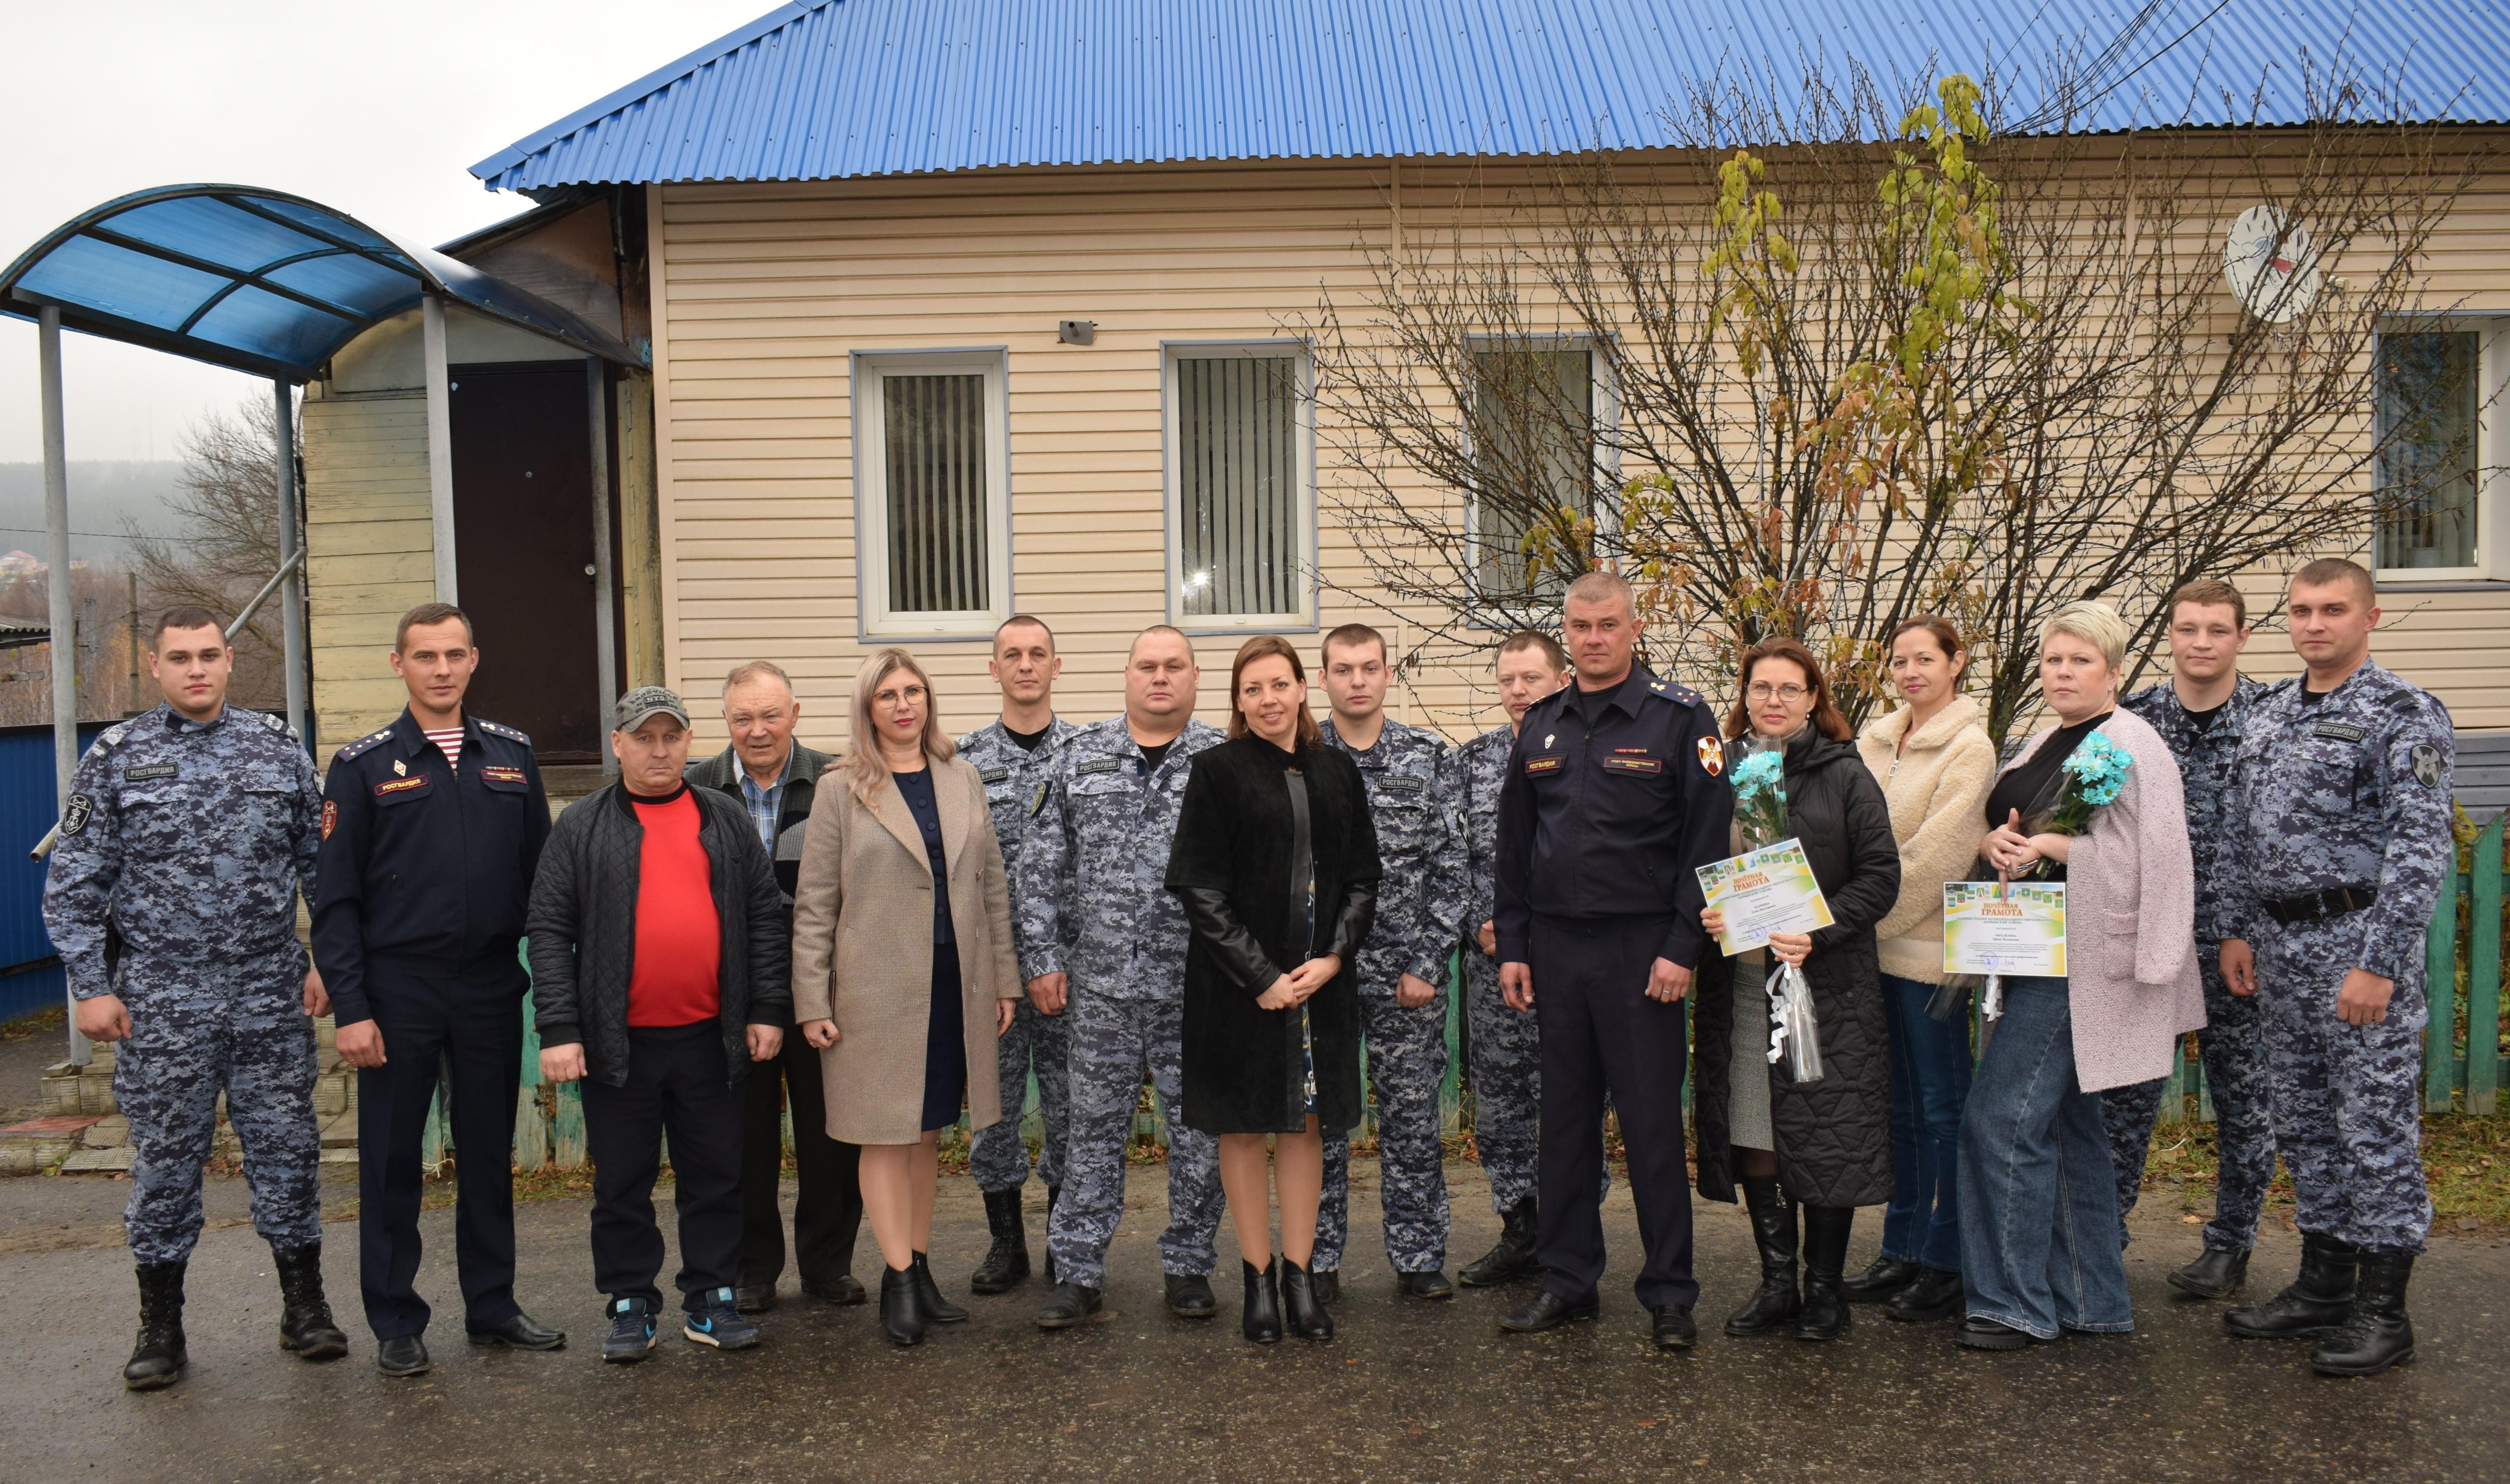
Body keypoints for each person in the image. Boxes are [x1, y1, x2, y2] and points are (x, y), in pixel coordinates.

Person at [44, 607, 345, 1390]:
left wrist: (331, 964)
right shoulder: (117, 756)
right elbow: (73, 884)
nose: (196, 670)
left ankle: (304, 1308)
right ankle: (161, 1329)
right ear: (155, 665)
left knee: (288, 1150)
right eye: (180, 658)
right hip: (161, 994)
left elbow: (324, 868)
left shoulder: (277, 748)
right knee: (167, 1161)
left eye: (209, 655)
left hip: (268, 987)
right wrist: (90, 985)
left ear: (230, 659)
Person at [2218, 559, 2454, 1378]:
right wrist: (2238, 930)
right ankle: (2323, 1286)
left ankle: (2385, 1313)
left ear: (2369, 618)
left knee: (2373, 1131)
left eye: (2332, 610)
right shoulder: (2271, 713)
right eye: (2301, 611)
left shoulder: (2402, 713)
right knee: (2306, 1124)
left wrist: (2380, 964)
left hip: (2356, 950)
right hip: (2279, 954)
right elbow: (2240, 834)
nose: (2314, 625)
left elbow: (2420, 851)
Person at [313, 602, 563, 1376]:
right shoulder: (361, 767)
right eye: (426, 656)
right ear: (401, 665)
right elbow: (336, 900)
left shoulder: (513, 758)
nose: (442, 669)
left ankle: (492, 1307)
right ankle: (395, 1320)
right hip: (398, 992)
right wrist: (351, 1009)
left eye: (455, 655)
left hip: (489, 986)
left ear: (475, 660)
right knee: (392, 1163)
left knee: (489, 1157)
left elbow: (543, 884)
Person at [1493, 571, 1730, 1350]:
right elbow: (1515, 849)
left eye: (1607, 625)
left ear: (1633, 628)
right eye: (1580, 626)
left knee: (1652, 1126)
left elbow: (1704, 842)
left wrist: (1680, 946)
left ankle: (1669, 1294)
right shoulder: (1543, 723)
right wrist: (1515, 946)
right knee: (1562, 1127)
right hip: (1557, 951)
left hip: (1641, 954)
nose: (1593, 639)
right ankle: (1568, 1282)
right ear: (1567, 631)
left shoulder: (1678, 718)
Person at [1960, 601, 2202, 1350]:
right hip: (2030, 949)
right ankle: (2091, 1301)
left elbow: (2159, 862)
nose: (2062, 673)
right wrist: (2000, 842)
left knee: (1999, 1120)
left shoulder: (2133, 743)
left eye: (2080, 662)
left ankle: (2012, 1305)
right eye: (2052, 661)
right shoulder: (2046, 737)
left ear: (2114, 672)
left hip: (2084, 965)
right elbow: (2020, 823)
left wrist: (2061, 851)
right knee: (2065, 1130)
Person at [526, 687, 790, 1362]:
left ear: (689, 742)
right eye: (644, 737)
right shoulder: (581, 826)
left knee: (715, 1176)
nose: (659, 750)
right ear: (618, 744)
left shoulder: (722, 818)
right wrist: (558, 1028)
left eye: (672, 736)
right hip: (621, 1045)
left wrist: (765, 1010)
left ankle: (710, 1298)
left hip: (712, 1038)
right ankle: (630, 1303)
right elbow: (550, 930)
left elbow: (764, 917)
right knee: (622, 1183)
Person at [789, 650, 1022, 1346]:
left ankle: (919, 1272)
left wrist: (1005, 979)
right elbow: (814, 903)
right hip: (872, 995)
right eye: (887, 695)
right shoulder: (840, 789)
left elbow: (991, 889)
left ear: (928, 701)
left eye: (913, 692)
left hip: (955, 988)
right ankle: (895, 1279)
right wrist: (811, 999)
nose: (902, 705)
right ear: (868, 710)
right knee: (885, 1135)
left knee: (925, 1134)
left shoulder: (963, 776)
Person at [1168, 636, 1382, 1343]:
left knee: (1307, 1128)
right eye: (1252, 688)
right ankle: (1257, 1279)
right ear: (1238, 700)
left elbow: (1361, 878)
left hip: (1319, 988)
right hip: (1239, 989)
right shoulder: (1215, 772)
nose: (1268, 700)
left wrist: (1332, 960)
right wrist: (1258, 977)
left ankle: (1300, 1277)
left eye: (1279, 685)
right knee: (1243, 1126)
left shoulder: (1337, 772)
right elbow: (1199, 887)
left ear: (1301, 689)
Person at [1018, 627, 1230, 1329]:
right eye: (1148, 667)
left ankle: (1188, 1265)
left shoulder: (1222, 763)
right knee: (1090, 1133)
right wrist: (1044, 959)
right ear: (1127, 676)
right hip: (1100, 989)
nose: (1160, 678)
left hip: (1197, 992)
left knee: (1197, 1135)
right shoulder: (1079, 756)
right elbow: (1039, 868)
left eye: (1174, 667)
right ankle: (1077, 1272)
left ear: (1195, 677)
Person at [1692, 639, 1901, 1343]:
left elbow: (1879, 876)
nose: (1773, 700)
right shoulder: (1721, 773)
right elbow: (1692, 862)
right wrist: (1707, 911)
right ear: (1743, 694)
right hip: (1744, 985)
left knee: (1827, 1139)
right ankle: (1777, 1281)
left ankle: (1824, 1290)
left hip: (1826, 988)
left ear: (1814, 699)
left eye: (1789, 688)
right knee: (1756, 1131)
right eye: (1760, 688)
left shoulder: (1844, 774)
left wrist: (1822, 930)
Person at [2101, 581, 2276, 1297]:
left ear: (2239, 637)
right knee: (2127, 1096)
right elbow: (2085, 816)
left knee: (2244, 1099)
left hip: (2243, 945)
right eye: (2187, 629)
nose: (2200, 643)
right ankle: (2102, 1233)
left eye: (2216, 630)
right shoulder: (2129, 721)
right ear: (2168, 636)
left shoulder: (2274, 720)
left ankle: (2230, 1244)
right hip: (2149, 943)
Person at [687, 660, 866, 1315]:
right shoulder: (694, 787)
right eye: (742, 718)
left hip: (824, 989)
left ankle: (827, 1266)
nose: (757, 731)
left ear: (794, 714)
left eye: (769, 716)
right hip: (729, 994)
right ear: (725, 722)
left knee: (830, 1138)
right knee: (742, 1140)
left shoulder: (839, 781)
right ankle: (753, 1268)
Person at [1844, 616, 1996, 1322]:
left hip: (1929, 956)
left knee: (1942, 1110)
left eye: (1924, 659)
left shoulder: (1969, 748)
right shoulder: (1874, 741)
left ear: (1955, 663)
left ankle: (1946, 1258)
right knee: (1898, 1109)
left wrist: (1848, 916)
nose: (1909, 672)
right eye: (1898, 661)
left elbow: (1938, 857)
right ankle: (1900, 1248)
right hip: (1870, 949)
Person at [1311, 623, 1465, 1301]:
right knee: (1322, 1124)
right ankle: (1315, 1259)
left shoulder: (1425, 759)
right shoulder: (1299, 755)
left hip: (1404, 973)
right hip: (1322, 977)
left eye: (1368, 668)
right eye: (1342, 670)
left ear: (1388, 674)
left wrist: (1428, 964)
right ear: (1324, 679)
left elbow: (1452, 870)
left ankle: (1418, 1253)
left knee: (1410, 1118)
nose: (1356, 681)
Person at [955, 616, 1079, 1294]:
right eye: (1012, 655)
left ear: (1056, 666)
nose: (1025, 665)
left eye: (1037, 655)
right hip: (990, 970)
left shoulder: (1089, 752)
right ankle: (1007, 1243)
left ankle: (1066, 1240)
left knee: (1071, 1106)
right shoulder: (963, 762)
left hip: (1074, 965)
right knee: (993, 1107)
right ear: (993, 669)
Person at [1453, 631, 1570, 1287]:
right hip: (1494, 965)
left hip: (1570, 961)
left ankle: (1568, 1230)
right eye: (1507, 681)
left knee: (1570, 1098)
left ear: (1560, 679)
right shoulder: (1472, 763)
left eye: (1531, 678)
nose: (1518, 692)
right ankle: (1518, 1229)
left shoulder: (1587, 753)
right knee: (1501, 1104)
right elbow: (1456, 856)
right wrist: (1482, 922)